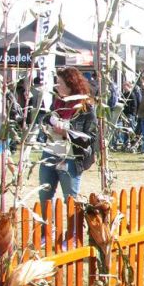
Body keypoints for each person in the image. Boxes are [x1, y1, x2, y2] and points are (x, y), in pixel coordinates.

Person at [37, 67, 98, 205]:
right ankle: (47, 226)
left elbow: (90, 137)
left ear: (71, 85)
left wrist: (66, 133)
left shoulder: (85, 108)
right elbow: (47, 118)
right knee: (44, 196)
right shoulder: (57, 102)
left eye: (60, 83)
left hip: (70, 158)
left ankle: (73, 227)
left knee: (71, 199)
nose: (57, 86)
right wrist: (48, 122)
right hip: (50, 153)